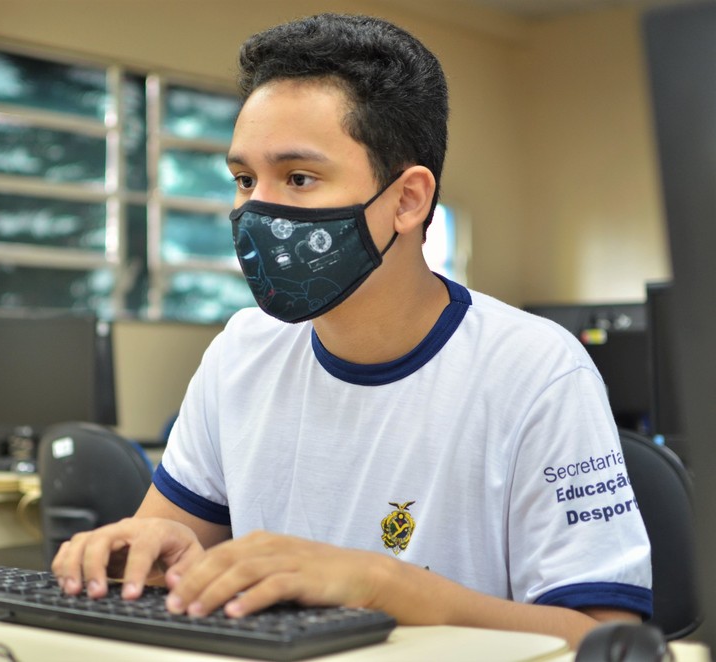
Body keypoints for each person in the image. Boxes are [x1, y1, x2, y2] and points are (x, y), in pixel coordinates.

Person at [53, 13, 652, 648]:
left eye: (299, 178)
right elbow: (166, 558)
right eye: (245, 180)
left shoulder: (534, 369)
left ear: (408, 200)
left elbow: (604, 638)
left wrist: (382, 586)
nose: (258, 210)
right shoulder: (242, 352)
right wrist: (140, 556)